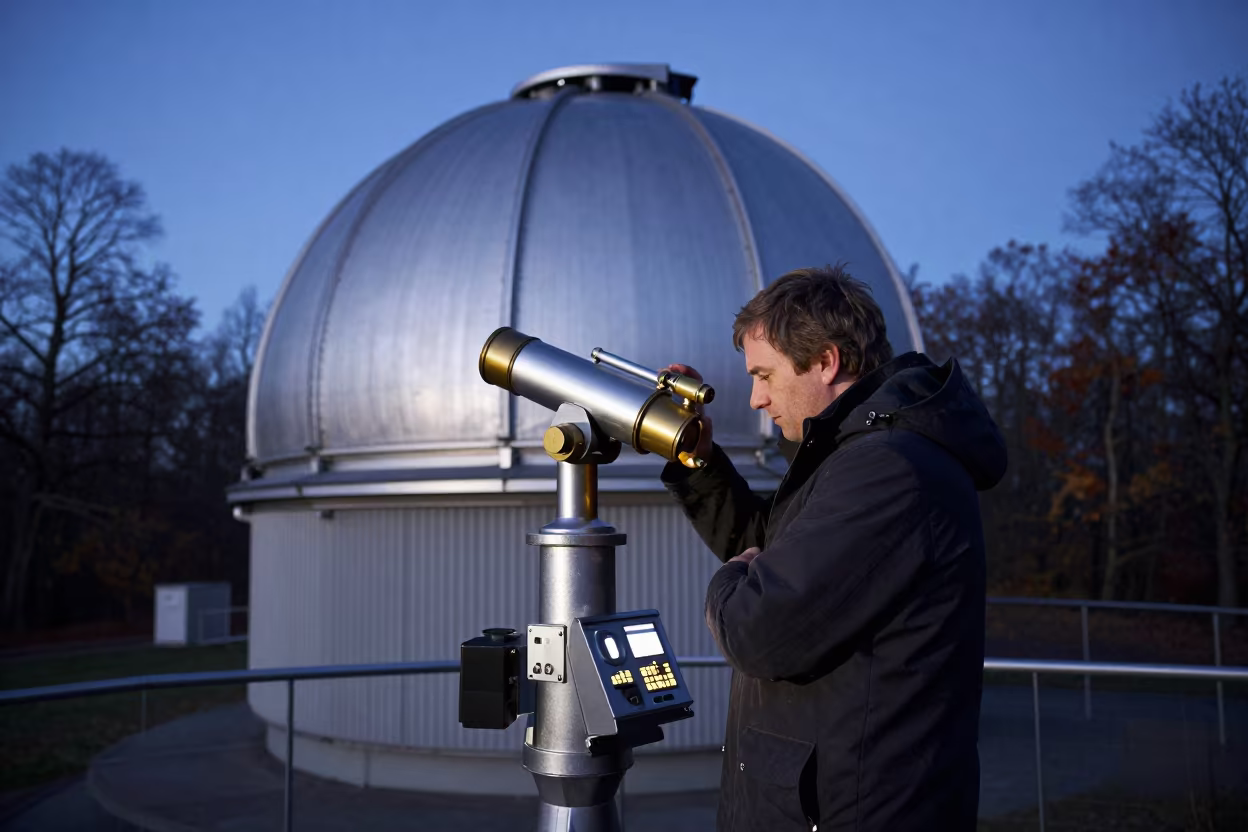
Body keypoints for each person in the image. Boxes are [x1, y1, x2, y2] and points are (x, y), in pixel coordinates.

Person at [661, 265, 1006, 831]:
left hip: (856, 810)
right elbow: (778, 560)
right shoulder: (853, 458)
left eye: (765, 375)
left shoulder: (889, 470)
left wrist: (730, 583)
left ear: (825, 361)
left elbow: (761, 626)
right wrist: (696, 459)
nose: (754, 398)